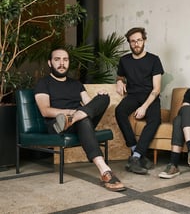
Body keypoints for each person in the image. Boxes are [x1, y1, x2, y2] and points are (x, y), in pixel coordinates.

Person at [34, 48, 126, 192]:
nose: (62, 63)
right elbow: (45, 110)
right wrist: (71, 112)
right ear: (50, 63)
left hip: (76, 120)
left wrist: (97, 99)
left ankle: (74, 119)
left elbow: (89, 106)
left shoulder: (76, 84)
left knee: (103, 98)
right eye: (57, 59)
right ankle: (105, 171)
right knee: (84, 120)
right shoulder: (43, 83)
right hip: (57, 125)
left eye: (65, 60)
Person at [115, 27, 164, 175]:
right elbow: (120, 76)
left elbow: (156, 89)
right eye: (133, 41)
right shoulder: (124, 60)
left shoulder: (154, 60)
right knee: (119, 111)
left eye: (139, 40)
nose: (136, 44)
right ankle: (136, 152)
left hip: (150, 96)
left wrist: (144, 107)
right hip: (133, 96)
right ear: (129, 43)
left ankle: (135, 158)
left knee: (155, 120)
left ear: (144, 41)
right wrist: (119, 81)